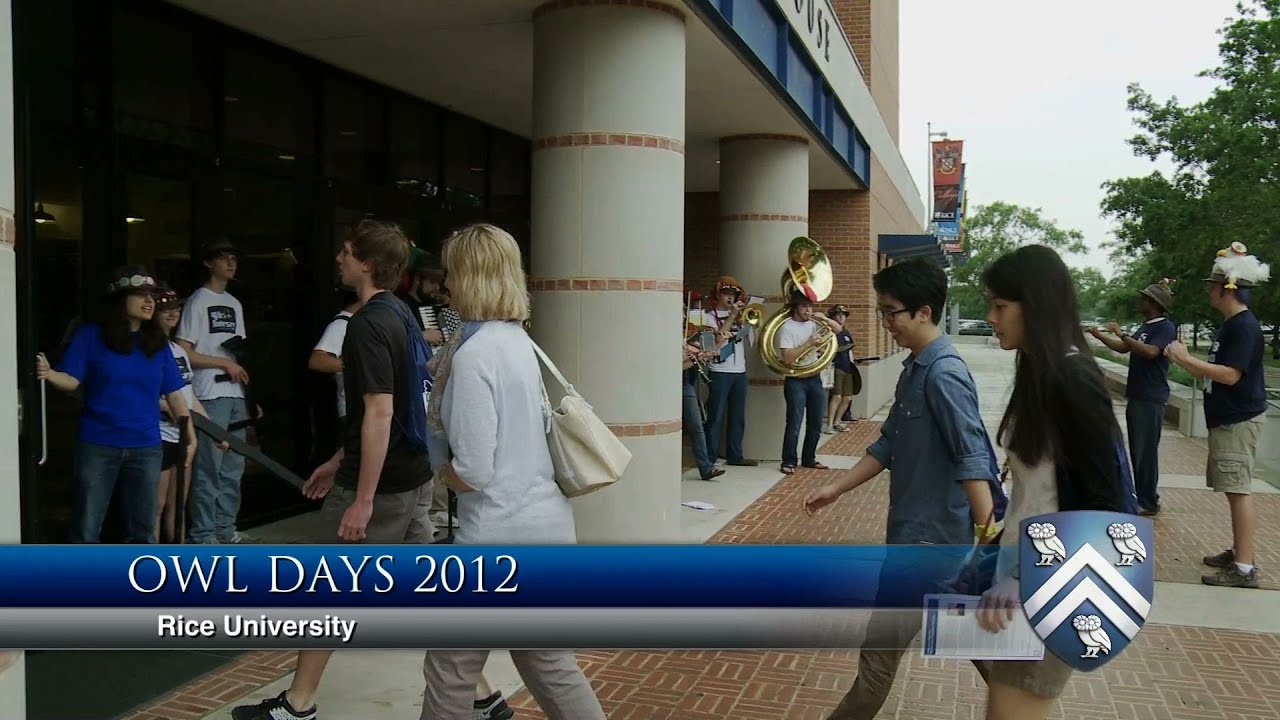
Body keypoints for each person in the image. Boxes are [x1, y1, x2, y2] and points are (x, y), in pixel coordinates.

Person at [233, 220, 484, 720]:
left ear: (367, 263)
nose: (339, 258)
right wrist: (336, 458)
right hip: (412, 479)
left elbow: (380, 411)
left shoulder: (368, 323)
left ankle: (297, 705)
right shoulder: (403, 315)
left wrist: (363, 498)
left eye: (346, 252)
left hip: (383, 487)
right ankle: (481, 695)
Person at [802, 259, 1004, 720]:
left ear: (924, 311)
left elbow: (971, 453)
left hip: (932, 545)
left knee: (878, 656)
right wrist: (837, 488)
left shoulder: (944, 373)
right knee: (981, 646)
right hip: (920, 537)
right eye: (881, 312)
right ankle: (1026, 705)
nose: (885, 322)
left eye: (891, 312)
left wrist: (986, 539)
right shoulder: (916, 368)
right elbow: (888, 443)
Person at [420, 223, 604, 720]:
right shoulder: (519, 341)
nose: (445, 285)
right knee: (549, 663)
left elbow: (475, 469)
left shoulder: (476, 352)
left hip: (495, 540)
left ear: (471, 276)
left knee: (449, 671)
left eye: (451, 273)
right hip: (546, 528)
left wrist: (443, 474)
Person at [975, 245, 1133, 720]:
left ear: (1035, 304)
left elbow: (1107, 507)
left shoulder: (1071, 379)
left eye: (1000, 306)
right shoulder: (1042, 373)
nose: (990, 317)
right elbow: (1035, 494)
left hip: (1055, 587)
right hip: (1025, 582)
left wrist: (1026, 580)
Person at [36, 266, 194, 543]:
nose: (149, 302)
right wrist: (49, 374)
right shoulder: (91, 335)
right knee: (87, 526)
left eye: (152, 296)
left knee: (144, 529)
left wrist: (189, 435)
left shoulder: (157, 343)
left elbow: (175, 395)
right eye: (140, 295)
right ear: (119, 299)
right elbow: (72, 380)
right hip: (98, 443)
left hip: (146, 445)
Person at [1165, 243, 1269, 589]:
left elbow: (1230, 375)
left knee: (1238, 490)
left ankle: (1243, 568)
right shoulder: (1232, 325)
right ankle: (1242, 551)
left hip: (1238, 419)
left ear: (1228, 287)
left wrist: (1182, 359)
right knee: (1232, 489)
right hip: (1229, 418)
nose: (1208, 289)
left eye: (1213, 283)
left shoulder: (1242, 327)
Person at [176, 238, 253, 544]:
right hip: (208, 392)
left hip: (235, 392)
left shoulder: (234, 303)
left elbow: (240, 355)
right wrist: (221, 362)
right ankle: (204, 534)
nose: (231, 263)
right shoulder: (198, 300)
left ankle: (225, 528)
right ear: (209, 263)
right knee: (210, 467)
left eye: (233, 258)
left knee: (233, 467)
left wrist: (250, 396)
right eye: (223, 258)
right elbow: (184, 351)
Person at [1089, 280, 1177, 515]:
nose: (1140, 301)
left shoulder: (1165, 327)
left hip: (1151, 397)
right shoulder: (1146, 326)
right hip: (1138, 395)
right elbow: (1124, 348)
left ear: (1154, 303)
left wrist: (1123, 333)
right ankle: (1142, 496)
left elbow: (1150, 352)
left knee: (1146, 451)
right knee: (1138, 449)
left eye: (1144, 298)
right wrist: (1099, 336)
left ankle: (1148, 501)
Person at [153, 284, 223, 543]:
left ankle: (179, 560)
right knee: (156, 506)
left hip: (183, 435)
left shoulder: (178, 351)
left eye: (175, 308)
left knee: (178, 505)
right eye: (164, 308)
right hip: (157, 435)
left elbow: (188, 395)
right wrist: (166, 408)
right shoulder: (145, 349)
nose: (172, 313)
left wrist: (214, 430)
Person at [777, 293, 840, 474]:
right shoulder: (787, 327)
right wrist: (809, 343)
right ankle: (788, 461)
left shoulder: (815, 324)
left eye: (810, 306)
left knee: (816, 422)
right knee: (795, 423)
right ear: (795, 307)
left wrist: (824, 318)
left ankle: (809, 458)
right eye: (804, 306)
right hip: (795, 379)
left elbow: (838, 330)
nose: (809, 310)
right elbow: (787, 358)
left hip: (814, 378)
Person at [703, 276, 758, 466]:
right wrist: (732, 317)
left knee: (737, 416)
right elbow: (714, 342)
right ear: (717, 295)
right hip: (719, 370)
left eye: (733, 295)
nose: (729, 298)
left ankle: (735, 455)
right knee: (715, 415)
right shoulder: (708, 316)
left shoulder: (740, 317)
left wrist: (749, 324)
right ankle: (710, 457)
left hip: (739, 371)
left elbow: (752, 343)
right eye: (726, 294)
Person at [684, 340, 724, 481]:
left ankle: (706, 468)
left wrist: (702, 358)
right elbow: (673, 366)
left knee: (696, 426)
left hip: (685, 385)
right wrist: (696, 358)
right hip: (669, 382)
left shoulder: (688, 342)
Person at [825, 304, 857, 433]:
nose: (841, 318)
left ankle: (838, 422)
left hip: (847, 366)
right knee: (836, 396)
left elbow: (850, 348)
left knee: (847, 397)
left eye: (843, 315)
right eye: (838, 315)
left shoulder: (846, 332)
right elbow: (828, 350)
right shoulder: (830, 332)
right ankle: (830, 424)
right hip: (836, 366)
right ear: (832, 317)